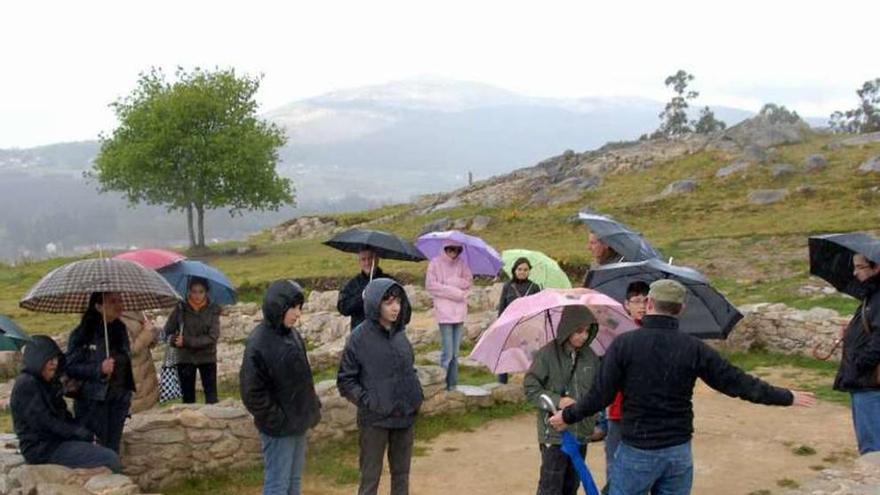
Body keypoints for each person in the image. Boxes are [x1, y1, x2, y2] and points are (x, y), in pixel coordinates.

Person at [549, 279, 816, 495]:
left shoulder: (624, 345)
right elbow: (738, 383)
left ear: (650, 302)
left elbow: (600, 396)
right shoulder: (694, 348)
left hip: (638, 451)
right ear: (681, 309)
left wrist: (568, 415)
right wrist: (786, 396)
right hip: (678, 452)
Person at [337, 278, 424, 495]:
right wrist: (369, 401)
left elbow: (408, 368)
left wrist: (416, 394)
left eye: (398, 302)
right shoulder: (358, 338)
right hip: (375, 420)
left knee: (401, 475)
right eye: (388, 302)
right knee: (370, 478)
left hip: (404, 414)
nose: (395, 307)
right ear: (376, 304)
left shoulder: (400, 335)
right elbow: (345, 380)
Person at [240, 279, 321, 495]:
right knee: (277, 484)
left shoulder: (293, 335)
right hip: (279, 429)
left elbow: (304, 376)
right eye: (293, 307)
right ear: (278, 306)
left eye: (299, 307)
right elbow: (251, 392)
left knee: (293, 483)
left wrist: (311, 406)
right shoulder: (259, 342)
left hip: (297, 422)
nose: (298, 313)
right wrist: (278, 420)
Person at [11, 335, 122, 472]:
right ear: (37, 360)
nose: (54, 363)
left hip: (56, 442)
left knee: (102, 443)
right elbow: (47, 423)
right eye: (49, 359)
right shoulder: (27, 385)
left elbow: (63, 415)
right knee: (109, 458)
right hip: (42, 449)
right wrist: (80, 434)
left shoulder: (48, 383)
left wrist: (84, 433)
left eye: (55, 359)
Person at [523, 305, 600, 495]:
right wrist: (558, 400)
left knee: (571, 485)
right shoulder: (546, 354)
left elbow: (597, 390)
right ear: (567, 328)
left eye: (587, 332)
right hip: (554, 434)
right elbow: (531, 388)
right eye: (578, 331)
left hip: (581, 432)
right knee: (551, 486)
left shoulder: (590, 356)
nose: (583, 336)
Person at [65, 292, 135, 454]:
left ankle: (115, 477)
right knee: (98, 448)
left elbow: (125, 360)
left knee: (113, 446)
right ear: (98, 306)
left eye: (119, 300)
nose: (119, 305)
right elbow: (70, 366)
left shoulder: (120, 328)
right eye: (112, 302)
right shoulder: (82, 333)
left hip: (118, 398)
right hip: (93, 401)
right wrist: (99, 369)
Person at [602, 281, 649, 494]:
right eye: (636, 301)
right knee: (615, 460)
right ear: (626, 304)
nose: (641, 305)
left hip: (645, 410)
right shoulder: (616, 333)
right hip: (618, 409)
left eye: (645, 301)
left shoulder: (653, 332)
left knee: (644, 462)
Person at [833, 252, 880, 454]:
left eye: (860, 267)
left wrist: (857, 365)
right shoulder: (871, 296)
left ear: (876, 268)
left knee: (872, 450)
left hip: (869, 383)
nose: (854, 272)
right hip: (865, 382)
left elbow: (878, 344)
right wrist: (852, 331)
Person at [164, 277, 221, 404]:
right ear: (189, 291)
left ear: (206, 292)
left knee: (211, 397)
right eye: (194, 291)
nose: (197, 295)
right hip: (185, 358)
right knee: (188, 399)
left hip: (207, 357)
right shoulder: (180, 309)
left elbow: (213, 337)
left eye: (201, 291)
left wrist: (187, 341)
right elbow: (167, 331)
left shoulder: (213, 309)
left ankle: (212, 423)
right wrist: (175, 340)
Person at [425, 242, 473, 391]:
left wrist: (450, 282)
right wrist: (456, 292)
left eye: (458, 250)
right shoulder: (435, 263)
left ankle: (453, 385)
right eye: (451, 249)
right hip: (444, 313)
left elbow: (469, 282)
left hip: (459, 313)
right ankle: (443, 386)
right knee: (448, 353)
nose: (454, 252)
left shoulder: (462, 264)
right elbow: (431, 286)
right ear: (445, 248)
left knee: (456, 354)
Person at [496, 257, 542, 384]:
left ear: (529, 271)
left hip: (528, 325)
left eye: (526, 270)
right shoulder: (508, 286)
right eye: (520, 269)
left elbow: (539, 308)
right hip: (510, 325)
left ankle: (533, 383)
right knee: (505, 354)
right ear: (514, 270)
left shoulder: (534, 287)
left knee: (531, 356)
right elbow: (502, 307)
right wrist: (500, 326)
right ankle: (502, 382)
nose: (522, 272)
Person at [338, 249, 395, 331]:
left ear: (377, 259)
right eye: (363, 259)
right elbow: (343, 308)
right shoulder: (353, 284)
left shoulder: (389, 282)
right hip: (360, 335)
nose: (367, 263)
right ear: (359, 262)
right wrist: (362, 296)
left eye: (370, 258)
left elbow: (402, 309)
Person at [121, 312, 159, 413]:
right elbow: (129, 349)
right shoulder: (114, 320)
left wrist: (151, 330)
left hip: (146, 372)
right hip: (132, 375)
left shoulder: (137, 312)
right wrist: (147, 332)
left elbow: (150, 343)